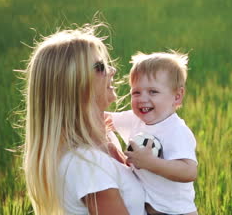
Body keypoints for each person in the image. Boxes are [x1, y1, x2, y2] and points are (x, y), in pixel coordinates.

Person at [22, 24, 146, 215]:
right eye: (99, 67)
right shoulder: (87, 163)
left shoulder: (105, 138)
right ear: (72, 85)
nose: (112, 70)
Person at [109, 51, 198, 215]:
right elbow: (103, 120)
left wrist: (150, 162)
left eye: (153, 92)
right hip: (148, 209)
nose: (142, 98)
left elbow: (189, 172)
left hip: (177, 212)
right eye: (136, 92)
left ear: (177, 97)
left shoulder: (176, 130)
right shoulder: (134, 118)